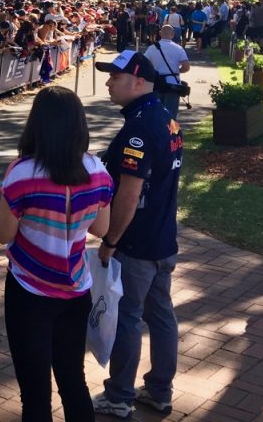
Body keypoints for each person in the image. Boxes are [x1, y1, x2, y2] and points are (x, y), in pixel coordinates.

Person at [0, 86, 113, 422]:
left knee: (35, 394)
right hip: (76, 291)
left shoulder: (22, 173)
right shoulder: (99, 171)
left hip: (28, 292)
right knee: (73, 381)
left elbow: (3, 233)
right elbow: (100, 229)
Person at [91, 50, 183, 419]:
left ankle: (119, 395)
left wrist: (111, 241)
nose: (109, 82)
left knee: (129, 315)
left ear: (140, 82)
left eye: (116, 76)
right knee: (160, 314)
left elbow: (129, 192)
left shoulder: (140, 127)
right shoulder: (163, 117)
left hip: (138, 243)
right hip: (162, 239)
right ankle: (159, 390)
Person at [144, 25, 190, 119]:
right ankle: (170, 133)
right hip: (173, 84)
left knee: (156, 113)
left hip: (156, 84)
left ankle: (157, 132)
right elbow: (186, 67)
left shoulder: (152, 48)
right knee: (171, 115)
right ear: (172, 34)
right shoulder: (178, 48)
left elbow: (144, 64)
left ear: (160, 34)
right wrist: (176, 72)